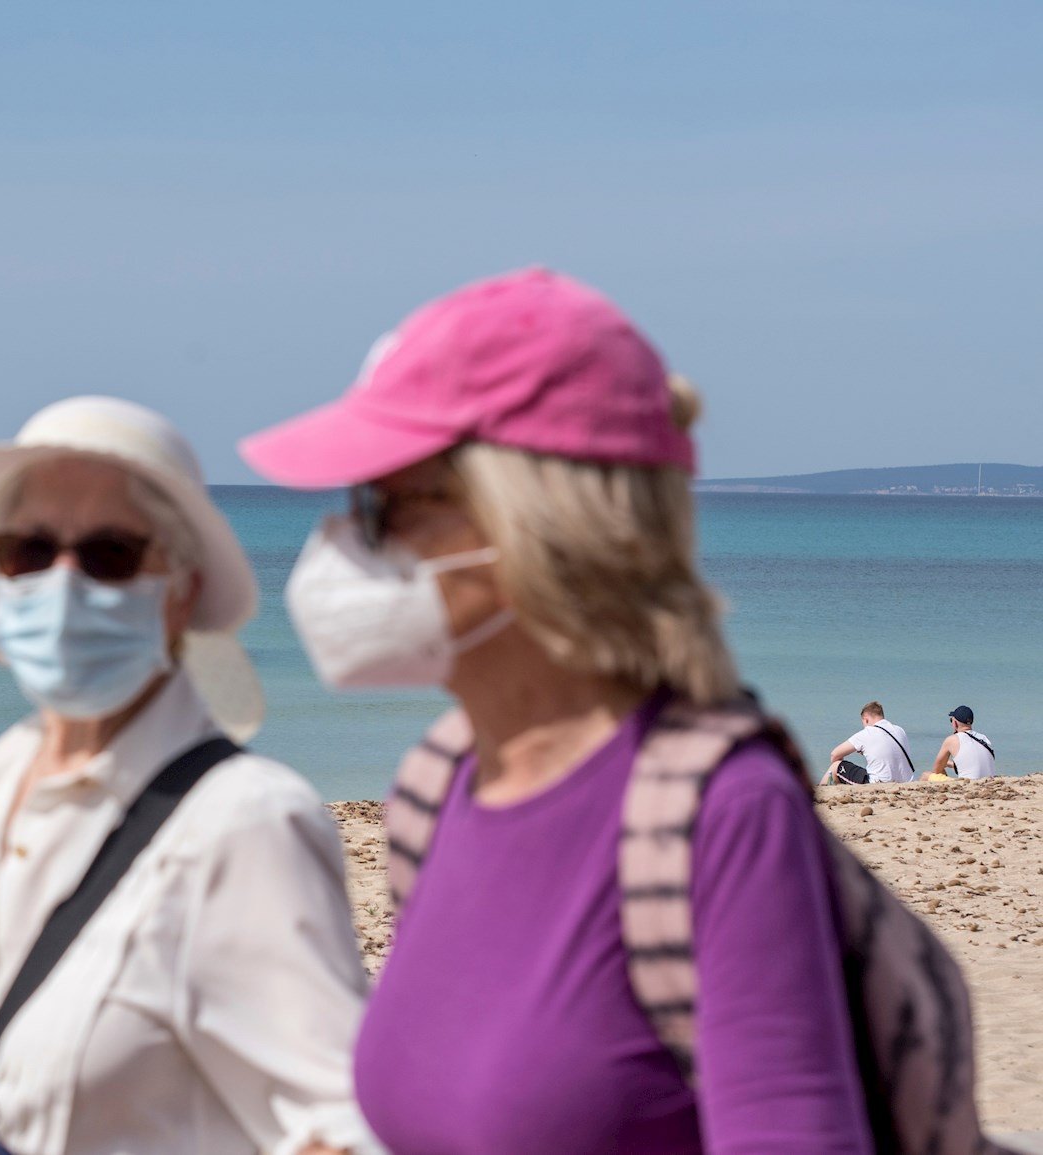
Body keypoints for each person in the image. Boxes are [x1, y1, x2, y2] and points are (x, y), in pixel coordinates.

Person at [240, 269, 872, 1153]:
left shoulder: (724, 812)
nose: (342, 545)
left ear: (532, 521)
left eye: (385, 505)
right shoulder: (436, 783)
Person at [0, 397, 374, 1155]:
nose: (63, 581)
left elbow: (338, 1125)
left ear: (182, 591)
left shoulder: (244, 822)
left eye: (110, 554)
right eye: (30, 550)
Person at [823, 701, 915, 785]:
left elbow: (834, 755)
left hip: (878, 783)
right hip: (906, 781)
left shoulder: (867, 733)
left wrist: (840, 761)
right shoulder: (899, 730)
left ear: (866, 720)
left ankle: (819, 791)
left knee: (836, 766)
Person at [932, 705, 996, 780]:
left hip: (967, 783)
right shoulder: (983, 738)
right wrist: (952, 765)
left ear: (955, 723)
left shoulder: (951, 740)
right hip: (987, 781)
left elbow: (936, 770)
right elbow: (976, 762)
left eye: (951, 720)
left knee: (926, 775)